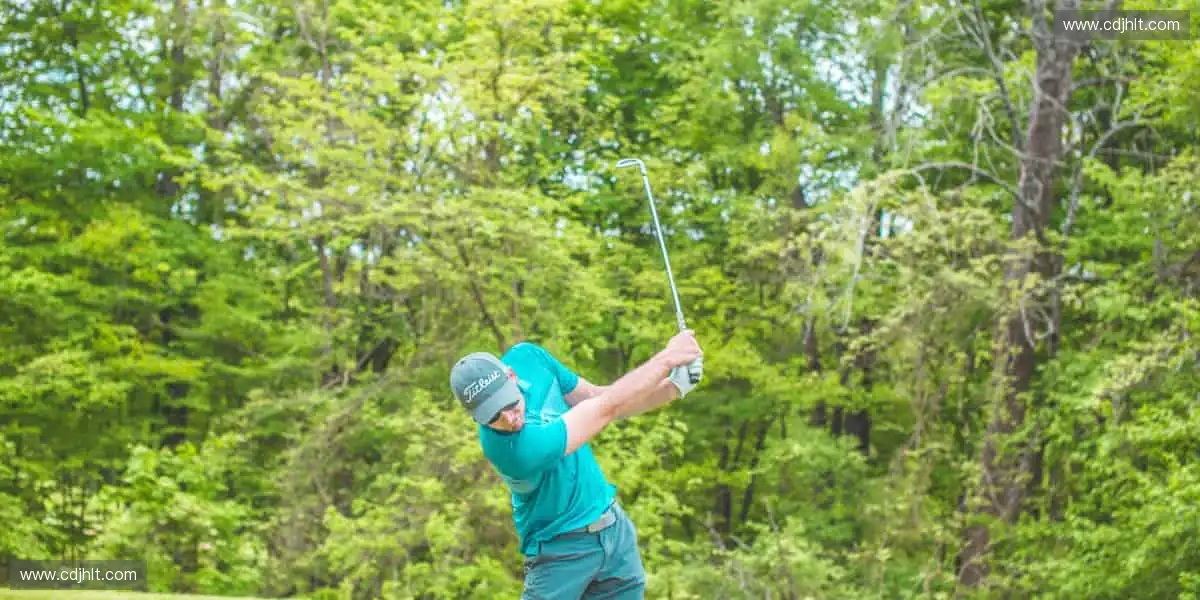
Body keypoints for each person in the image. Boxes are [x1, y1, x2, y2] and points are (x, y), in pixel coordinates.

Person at [449, 330, 704, 599]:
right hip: (560, 554)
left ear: (511, 376)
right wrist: (666, 359)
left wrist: (674, 387)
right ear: (476, 418)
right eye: (493, 416)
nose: (510, 419)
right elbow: (606, 408)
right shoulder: (514, 451)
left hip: (615, 535)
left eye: (509, 404)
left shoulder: (530, 358)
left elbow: (598, 397)